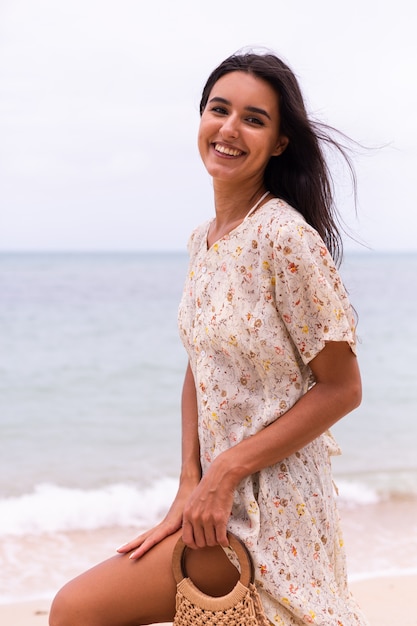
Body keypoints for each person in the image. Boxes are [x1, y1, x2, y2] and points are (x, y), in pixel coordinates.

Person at [49, 51, 369, 626]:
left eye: (253, 118)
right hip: (213, 507)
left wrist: (225, 473)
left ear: (278, 143)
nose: (229, 129)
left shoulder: (285, 239)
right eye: (218, 110)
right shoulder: (205, 240)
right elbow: (201, 366)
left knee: (77, 611)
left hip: (272, 516)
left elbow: (342, 389)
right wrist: (189, 482)